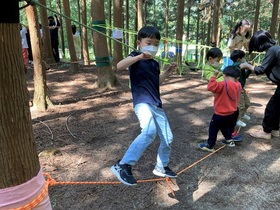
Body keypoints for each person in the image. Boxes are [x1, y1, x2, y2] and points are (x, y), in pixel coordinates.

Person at [110, 26, 177, 186]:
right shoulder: (135, 57)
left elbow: (157, 82)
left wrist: (167, 72)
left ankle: (162, 166)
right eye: (149, 42)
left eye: (156, 44)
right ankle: (123, 165)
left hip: (156, 104)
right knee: (149, 131)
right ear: (139, 43)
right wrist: (139, 56)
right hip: (142, 102)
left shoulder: (154, 63)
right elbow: (119, 66)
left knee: (168, 138)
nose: (152, 47)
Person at [240, 30, 280, 140]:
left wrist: (246, 65)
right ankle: (275, 130)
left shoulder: (272, 50)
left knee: (271, 108)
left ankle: (266, 132)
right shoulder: (276, 48)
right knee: (276, 107)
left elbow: (261, 70)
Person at [199, 66, 242, 152]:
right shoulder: (238, 84)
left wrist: (214, 76)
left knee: (213, 129)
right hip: (231, 113)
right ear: (237, 77)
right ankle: (229, 140)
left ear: (224, 75)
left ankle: (210, 145)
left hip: (220, 114)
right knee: (224, 126)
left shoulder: (223, 84)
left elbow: (210, 87)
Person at [230, 50, 251, 128]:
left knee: (247, 103)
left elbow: (245, 76)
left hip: (242, 89)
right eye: (244, 58)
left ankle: (242, 114)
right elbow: (238, 65)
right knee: (241, 106)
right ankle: (237, 120)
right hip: (237, 90)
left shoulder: (241, 66)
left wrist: (249, 69)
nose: (245, 59)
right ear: (239, 59)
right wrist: (247, 65)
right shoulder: (235, 66)